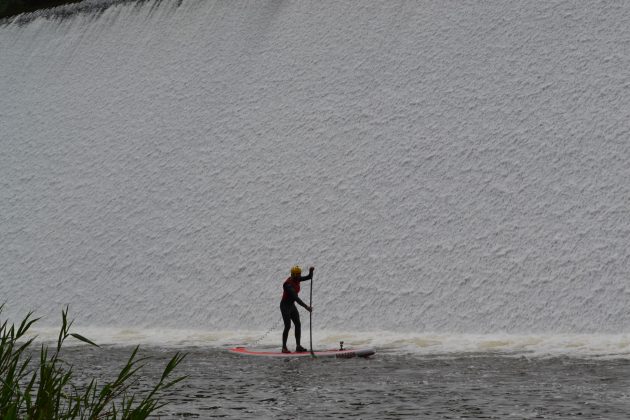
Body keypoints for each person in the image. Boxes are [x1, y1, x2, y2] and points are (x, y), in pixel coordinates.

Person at [280, 265, 314, 353]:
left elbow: (309, 277)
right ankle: (284, 348)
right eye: (298, 275)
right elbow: (296, 298)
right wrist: (306, 307)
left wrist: (311, 271)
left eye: (300, 274)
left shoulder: (297, 279)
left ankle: (298, 346)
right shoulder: (288, 285)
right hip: (285, 306)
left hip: (291, 306)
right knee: (287, 326)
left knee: (298, 324)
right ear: (293, 275)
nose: (299, 276)